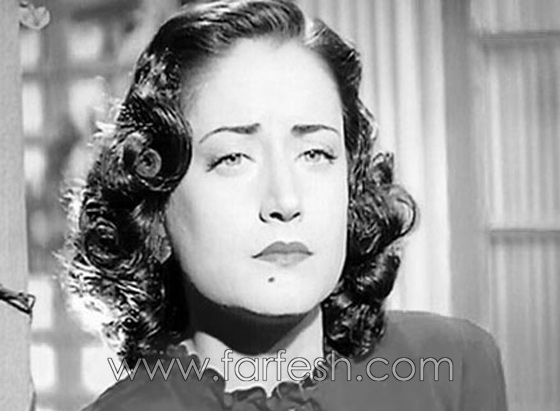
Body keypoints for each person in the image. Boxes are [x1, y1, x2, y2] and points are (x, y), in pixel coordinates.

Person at [62, 1, 508, 410]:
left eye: (315, 153)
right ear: (155, 213)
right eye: (233, 158)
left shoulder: (453, 368)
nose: (285, 201)